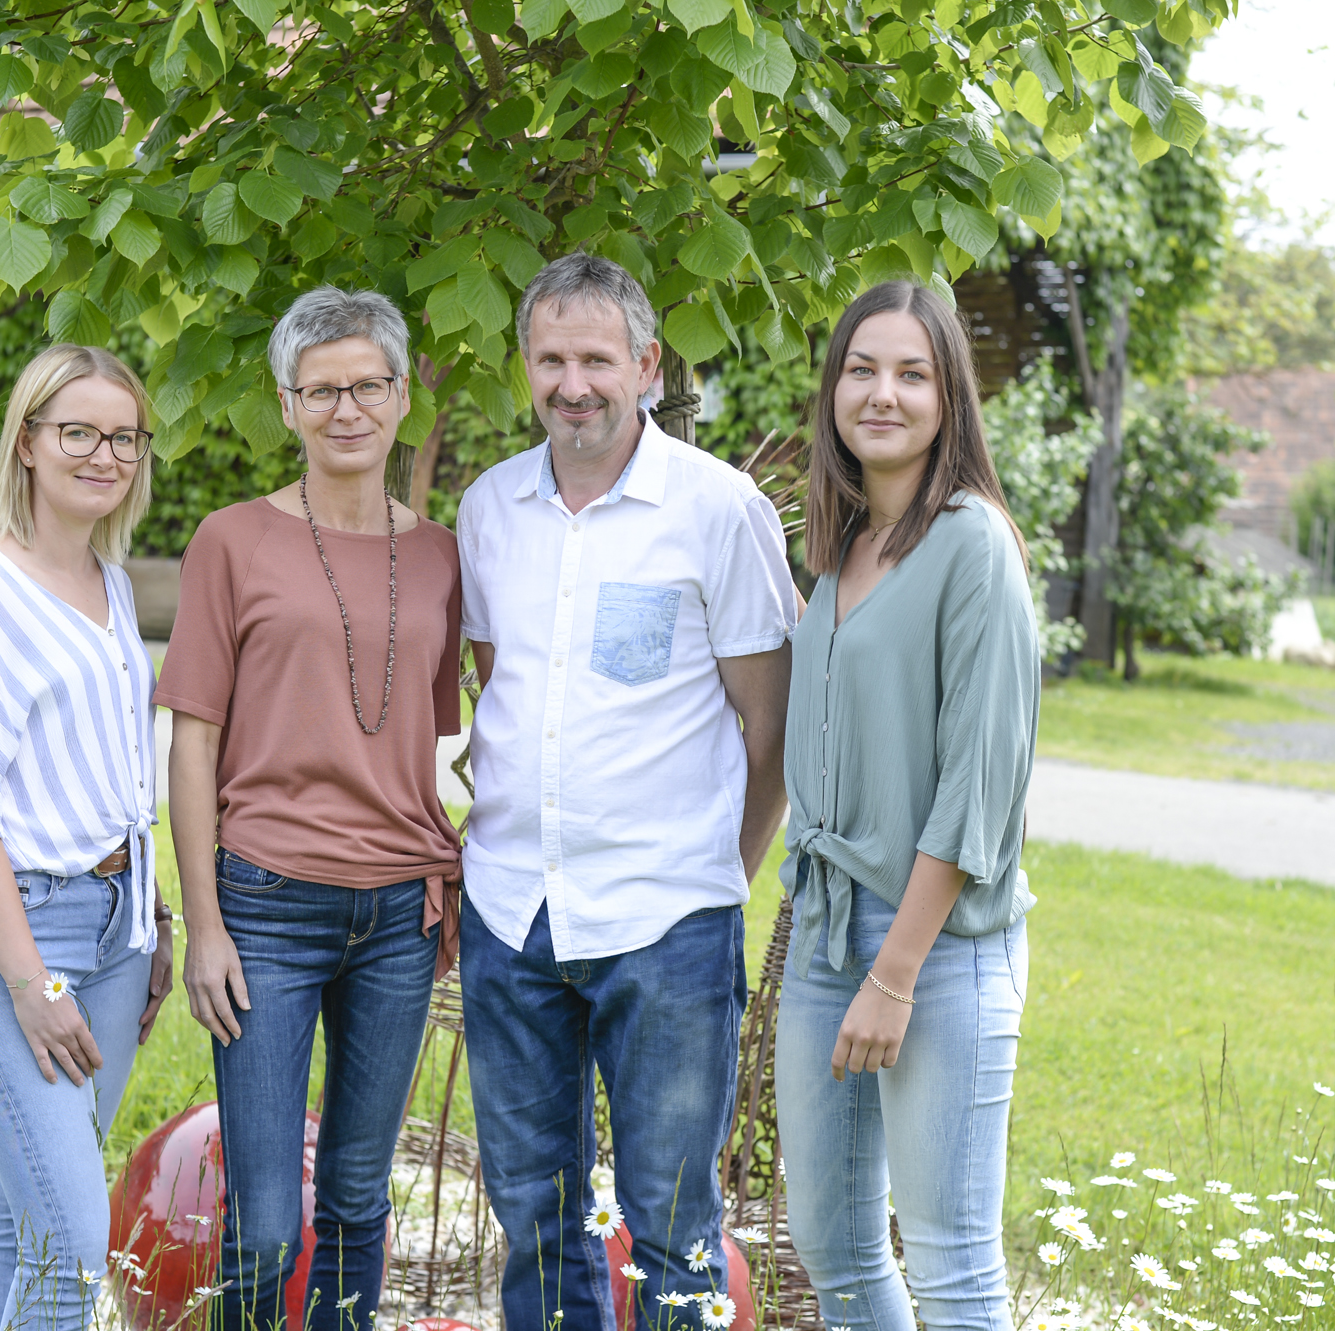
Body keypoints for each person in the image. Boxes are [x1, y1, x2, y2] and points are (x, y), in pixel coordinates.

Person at [456, 252, 799, 1329]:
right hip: (511, 912)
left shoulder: (718, 509)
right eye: (550, 358)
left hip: (666, 922)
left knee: (673, 1233)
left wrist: (716, 877)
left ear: (647, 364)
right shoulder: (487, 508)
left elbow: (770, 725)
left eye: (597, 358)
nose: (573, 384)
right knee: (534, 1218)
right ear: (525, 368)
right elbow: (493, 689)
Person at [157, 286, 465, 1331]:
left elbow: (427, 740)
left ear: (402, 393)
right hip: (264, 907)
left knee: (355, 1201)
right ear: (286, 404)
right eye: (321, 389)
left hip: (397, 919)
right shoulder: (229, 541)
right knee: (262, 1225)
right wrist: (204, 923)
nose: (347, 408)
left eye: (368, 383)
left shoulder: (439, 554)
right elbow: (193, 738)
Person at [774, 279, 1041, 1330]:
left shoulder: (972, 544)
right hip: (822, 931)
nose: (880, 393)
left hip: (933, 949)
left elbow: (978, 795)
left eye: (910, 373)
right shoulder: (839, 545)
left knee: (951, 1267)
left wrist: (893, 974)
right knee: (833, 1252)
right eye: (859, 367)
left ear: (948, 398)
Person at [0, 344, 174, 1331]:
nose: (103, 454)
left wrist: (149, 912)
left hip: (115, 935)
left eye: (123, 436)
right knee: (72, 1246)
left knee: (29, 1226)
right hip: (11, 941)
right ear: (26, 441)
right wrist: (32, 979)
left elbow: (108, 772)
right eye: (77, 431)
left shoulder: (109, 581)